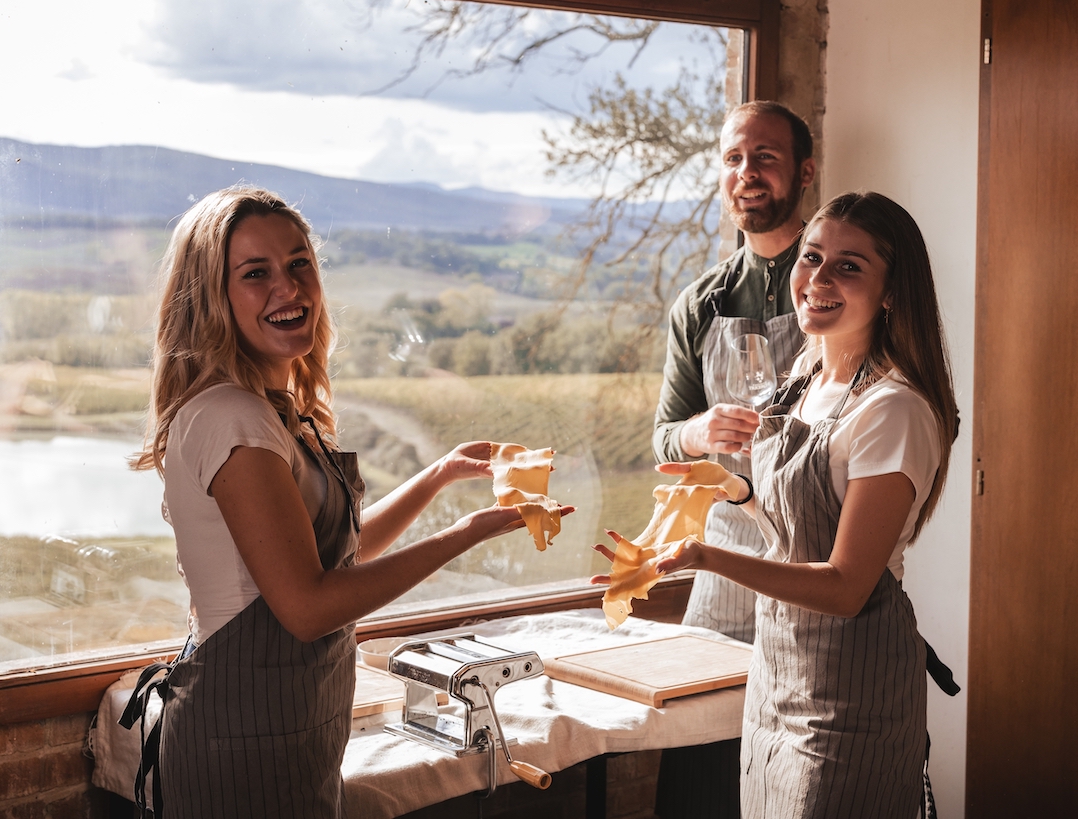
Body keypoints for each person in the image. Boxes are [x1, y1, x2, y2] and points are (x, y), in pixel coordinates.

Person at [123, 187, 563, 817]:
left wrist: (436, 476)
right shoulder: (231, 419)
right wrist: (465, 533)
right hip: (242, 743)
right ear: (211, 297)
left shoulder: (272, 410)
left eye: (299, 263)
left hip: (290, 730)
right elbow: (306, 607)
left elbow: (335, 556)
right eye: (255, 274)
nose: (289, 287)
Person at [606, 191, 958, 817]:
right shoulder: (803, 381)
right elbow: (797, 532)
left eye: (848, 267)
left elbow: (846, 584)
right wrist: (732, 489)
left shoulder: (893, 410)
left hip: (853, 689)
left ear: (892, 292)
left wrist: (707, 557)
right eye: (812, 257)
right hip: (776, 674)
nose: (817, 279)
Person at [653, 99, 816, 644]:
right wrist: (699, 432)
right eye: (733, 158)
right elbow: (665, 439)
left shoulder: (840, 286)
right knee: (716, 718)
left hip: (822, 544)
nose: (746, 172)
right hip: (727, 550)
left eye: (765, 156)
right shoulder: (700, 304)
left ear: (804, 172)